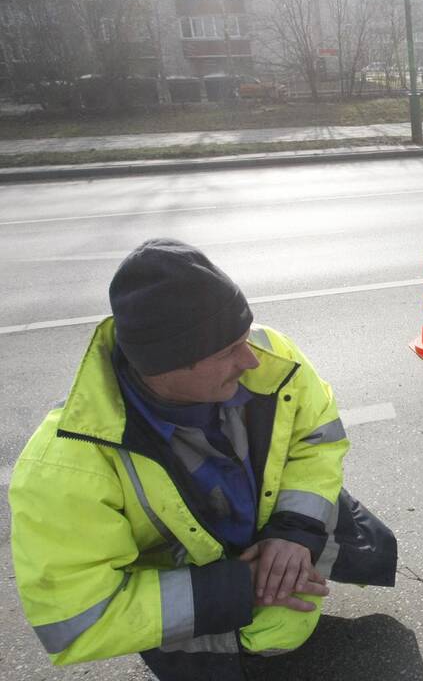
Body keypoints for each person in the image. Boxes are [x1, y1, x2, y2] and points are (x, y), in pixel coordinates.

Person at [9, 239, 397, 680]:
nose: (250, 358)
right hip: (191, 576)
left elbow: (317, 437)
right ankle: (208, 644)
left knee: (293, 603)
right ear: (161, 367)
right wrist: (236, 588)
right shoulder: (64, 466)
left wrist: (294, 532)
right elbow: (78, 616)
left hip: (267, 530)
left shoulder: (269, 354)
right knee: (273, 630)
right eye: (225, 352)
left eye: (243, 336)